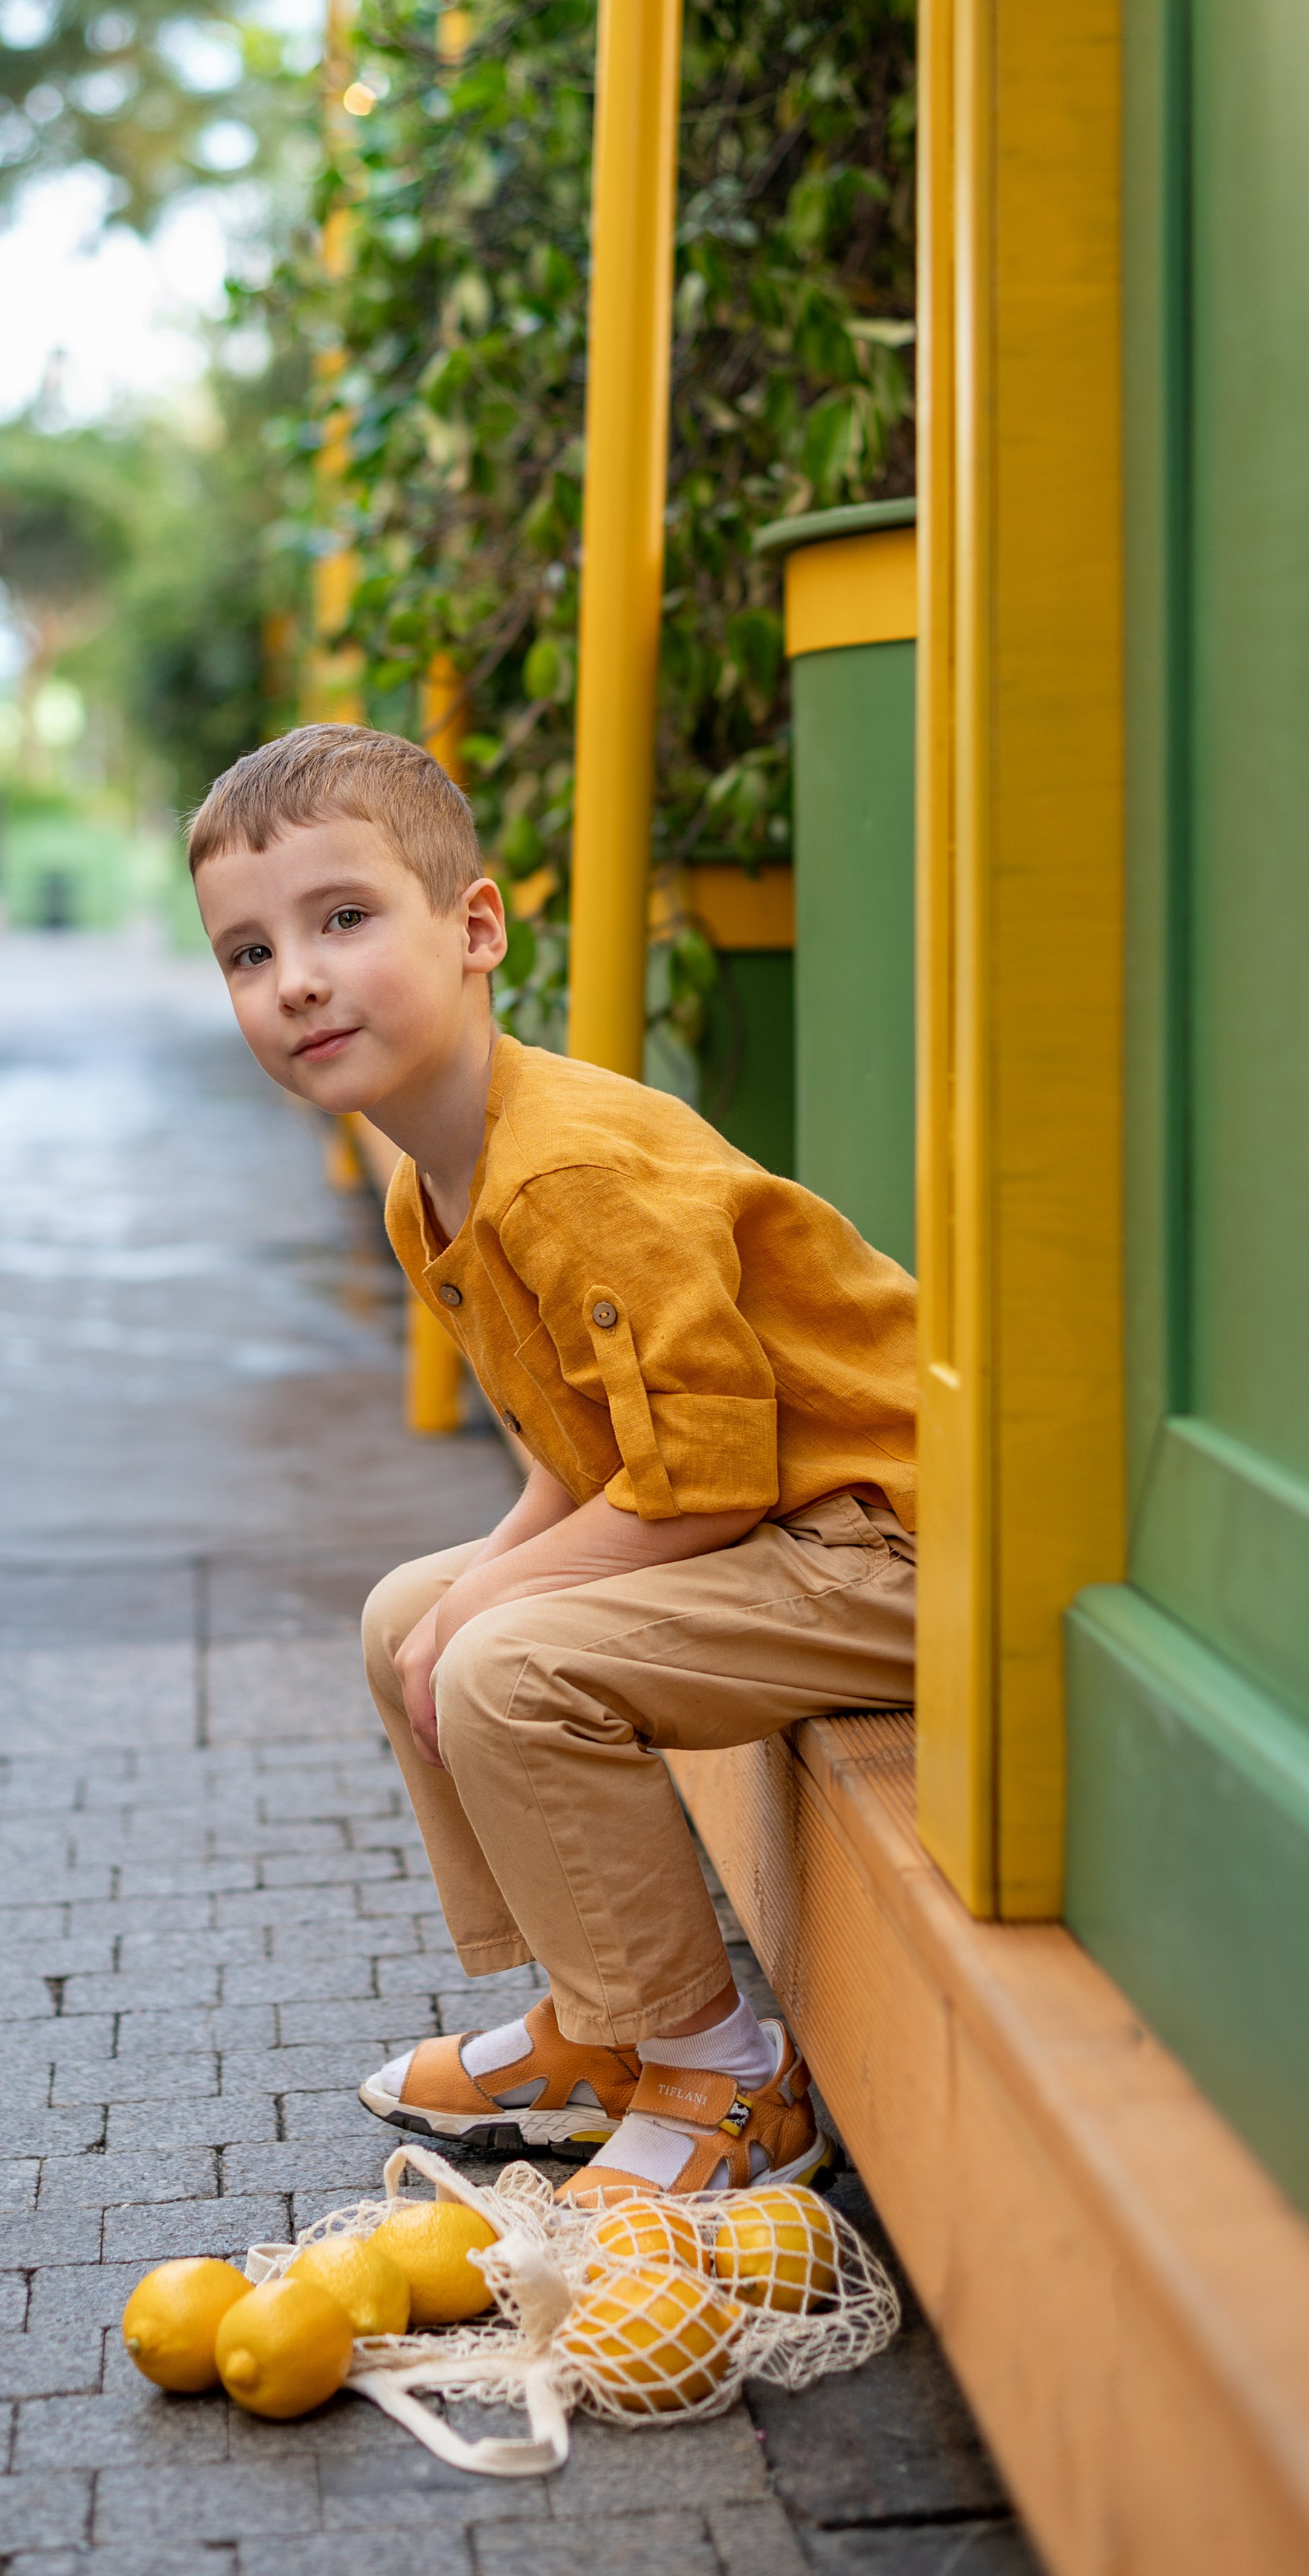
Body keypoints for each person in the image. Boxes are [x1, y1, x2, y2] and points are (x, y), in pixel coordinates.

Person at [187, 724, 916, 2205]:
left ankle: (726, 2076)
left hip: (890, 1541)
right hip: (776, 1519)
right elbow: (580, 1458)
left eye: (342, 919)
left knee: (501, 1663)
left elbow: (703, 1480)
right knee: (413, 1612)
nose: (297, 980)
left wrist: (496, 1614)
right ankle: (606, 2025)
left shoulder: (564, 1171)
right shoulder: (429, 1191)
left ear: (472, 929)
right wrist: (472, 1594)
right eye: (247, 955)